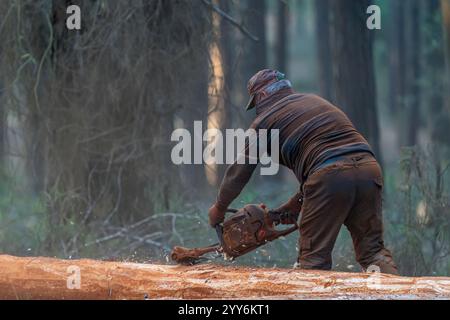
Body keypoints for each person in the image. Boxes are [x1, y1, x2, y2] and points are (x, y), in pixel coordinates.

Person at [208, 69, 398, 275]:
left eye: (255, 103)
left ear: (261, 96)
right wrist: (295, 204)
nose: (257, 110)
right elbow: (330, 162)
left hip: (329, 175)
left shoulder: (262, 123)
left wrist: (219, 207)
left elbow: (239, 172)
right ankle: (398, 295)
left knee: (313, 261)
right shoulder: (315, 102)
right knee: (372, 252)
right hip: (369, 170)